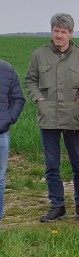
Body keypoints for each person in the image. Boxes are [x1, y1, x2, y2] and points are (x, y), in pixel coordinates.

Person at [25, 13, 79, 223]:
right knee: (52, 165)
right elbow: (30, 80)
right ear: (52, 31)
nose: (59, 35)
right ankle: (57, 206)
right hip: (49, 118)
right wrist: (39, 100)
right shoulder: (39, 55)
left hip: (74, 118)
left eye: (64, 32)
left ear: (71, 33)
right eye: (56, 31)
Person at [0, 59, 26, 227]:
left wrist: (8, 119)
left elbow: (18, 98)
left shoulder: (7, 69)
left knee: (0, 178)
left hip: (1, 133)